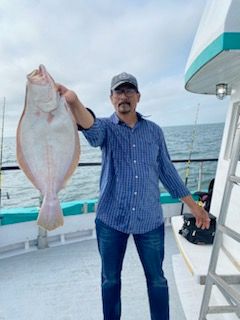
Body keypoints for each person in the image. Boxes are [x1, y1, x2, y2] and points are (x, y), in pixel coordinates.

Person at [57, 72, 210, 320]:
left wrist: (194, 206)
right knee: (110, 281)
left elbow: (168, 172)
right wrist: (73, 101)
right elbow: (90, 129)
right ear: (111, 98)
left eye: (129, 91)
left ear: (138, 97)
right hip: (111, 219)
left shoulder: (155, 132)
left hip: (149, 219)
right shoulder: (106, 128)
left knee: (157, 280)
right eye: (119, 91)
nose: (124, 96)